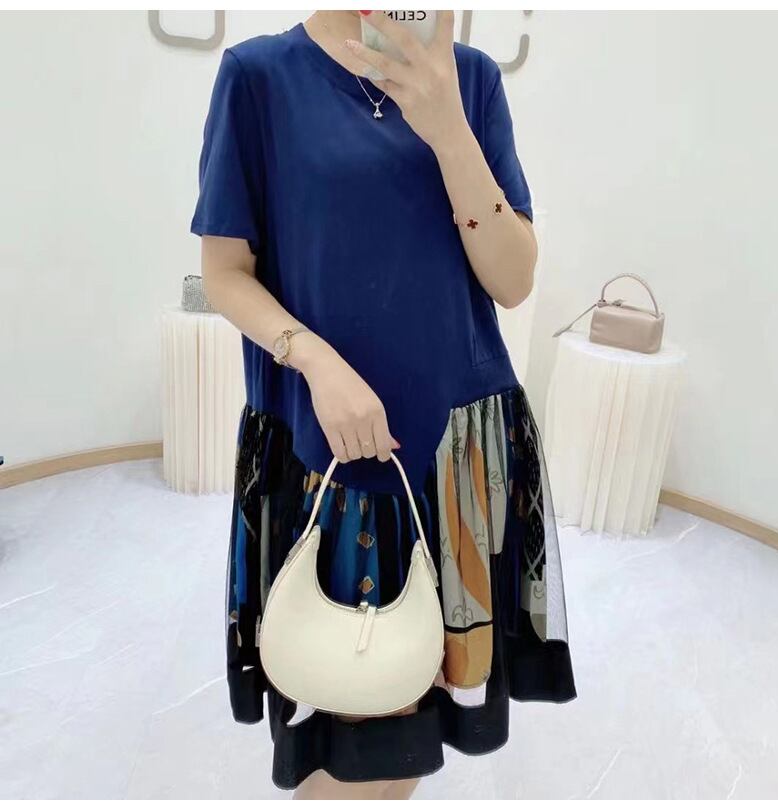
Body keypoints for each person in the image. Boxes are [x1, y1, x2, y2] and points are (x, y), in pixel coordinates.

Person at [190, 9, 577, 799]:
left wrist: (448, 127)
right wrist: (313, 360)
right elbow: (225, 273)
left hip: (452, 451)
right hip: (325, 453)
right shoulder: (260, 77)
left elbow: (511, 281)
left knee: (409, 725)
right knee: (345, 713)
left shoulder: (471, 79)